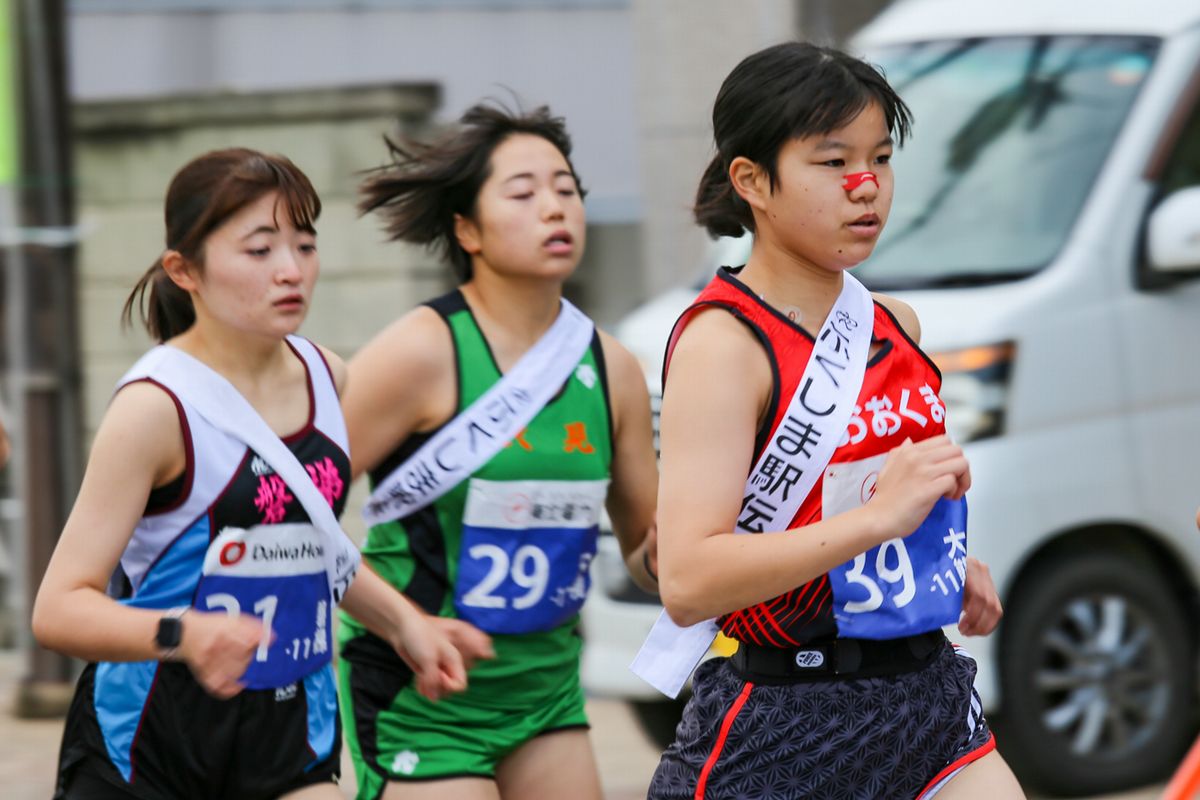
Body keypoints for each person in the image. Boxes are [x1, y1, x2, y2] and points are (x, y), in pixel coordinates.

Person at [646, 43, 1025, 799]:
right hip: (785, 722)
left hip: (930, 698)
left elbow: (880, 502)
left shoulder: (898, 325)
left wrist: (939, 568)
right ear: (751, 180)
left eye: (880, 158)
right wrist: (883, 520)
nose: (866, 186)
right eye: (832, 162)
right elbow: (689, 580)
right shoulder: (725, 346)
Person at [31, 148, 470, 800]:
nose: (291, 271)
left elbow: (306, 540)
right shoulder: (155, 408)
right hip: (149, 745)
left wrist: (405, 623)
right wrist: (187, 635)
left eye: (304, 244)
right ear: (186, 271)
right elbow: (59, 611)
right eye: (260, 250)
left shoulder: (328, 374)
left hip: (290, 730)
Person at [336, 103, 659, 800]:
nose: (554, 208)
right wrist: (403, 622)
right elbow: (291, 513)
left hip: (544, 693)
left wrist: (701, 549)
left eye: (566, 190)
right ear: (467, 230)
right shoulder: (421, 353)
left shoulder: (613, 368)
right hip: (423, 692)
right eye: (523, 193)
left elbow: (644, 550)